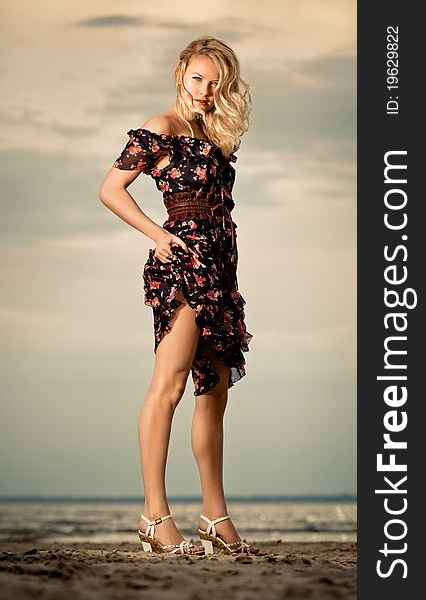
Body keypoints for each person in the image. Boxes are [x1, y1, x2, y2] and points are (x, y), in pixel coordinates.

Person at [98, 36, 259, 556]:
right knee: (167, 387)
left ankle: (215, 516)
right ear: (179, 74)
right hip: (183, 263)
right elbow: (110, 188)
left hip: (220, 266)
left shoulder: (214, 131)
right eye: (198, 78)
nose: (206, 90)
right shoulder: (159, 129)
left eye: (216, 82)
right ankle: (154, 514)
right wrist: (157, 234)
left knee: (214, 392)